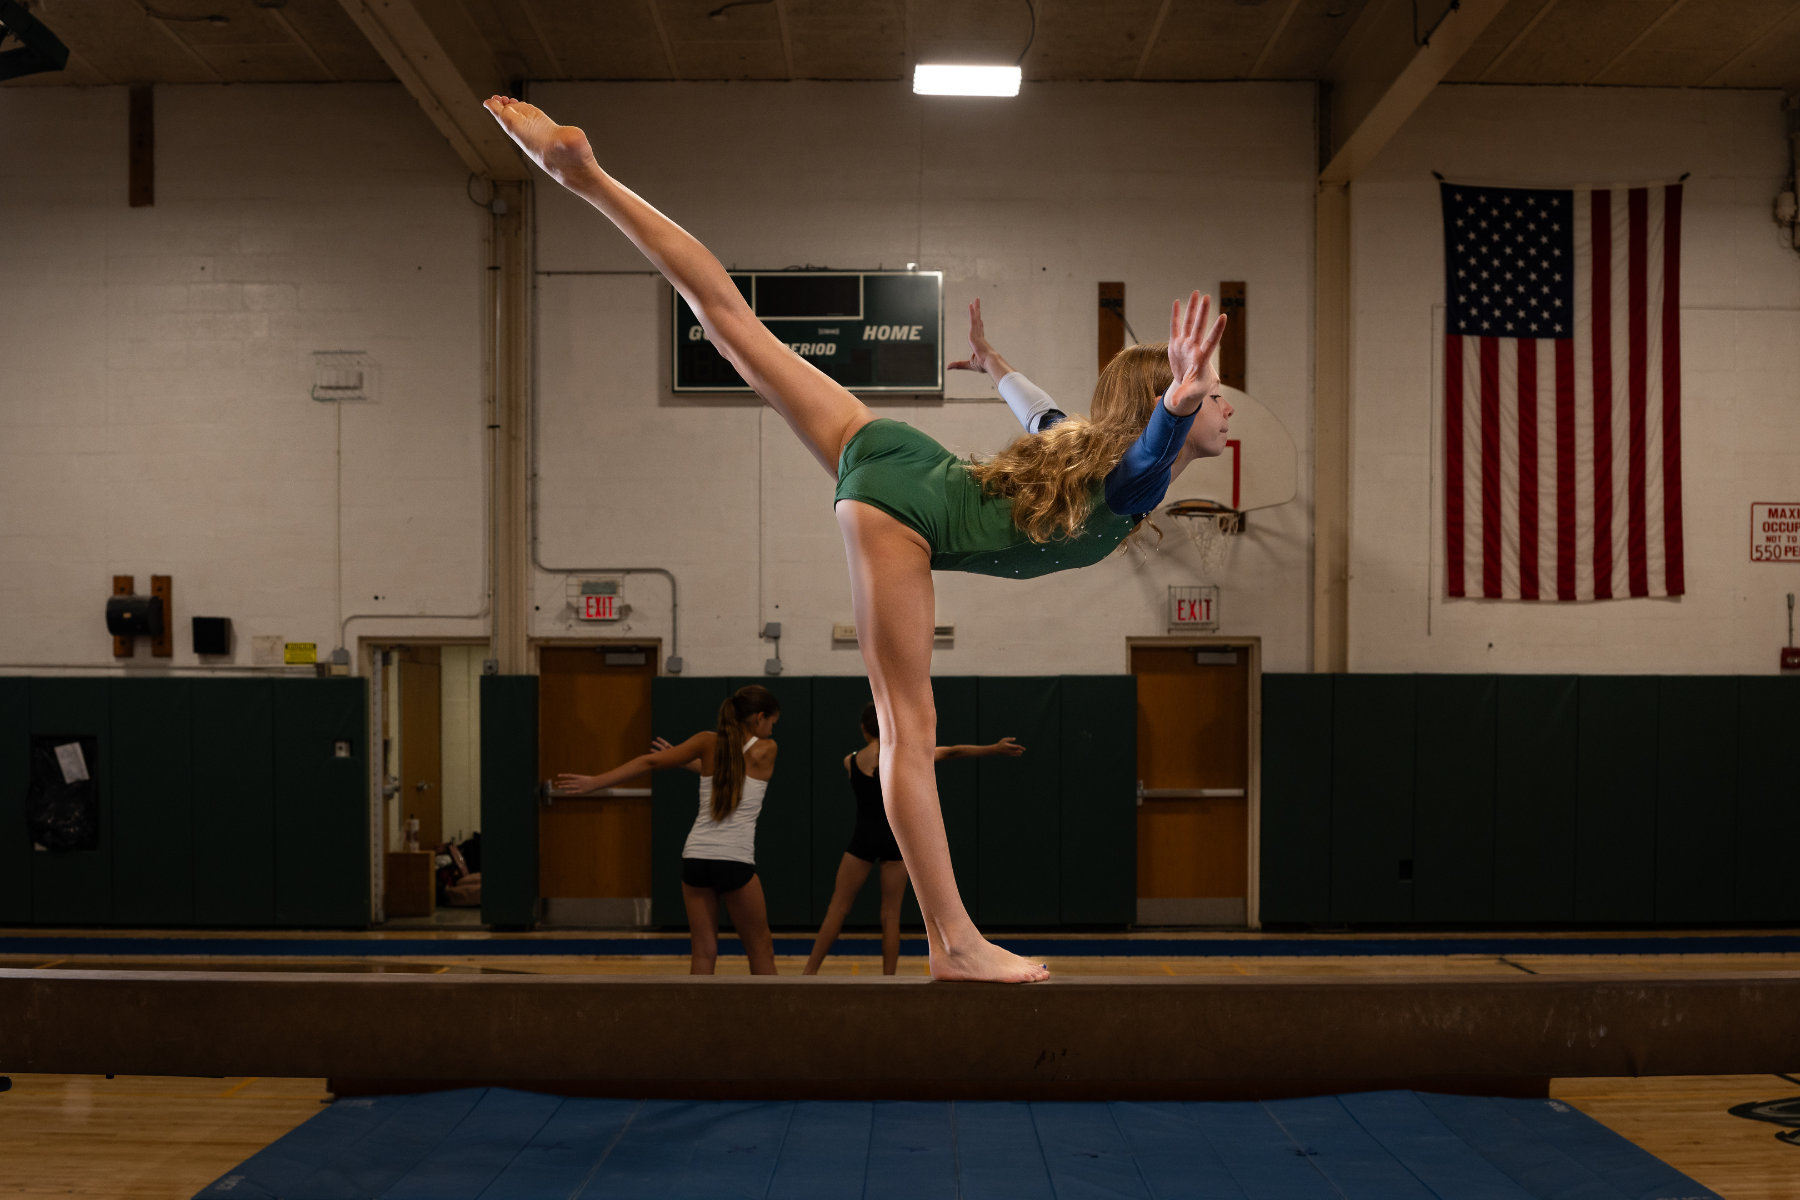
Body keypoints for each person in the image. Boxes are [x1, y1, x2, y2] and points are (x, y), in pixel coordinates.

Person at [484, 95, 1230, 983]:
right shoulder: (1134, 478)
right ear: (1166, 414)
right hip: (907, 512)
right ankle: (953, 942)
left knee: (734, 327)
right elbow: (1151, 451)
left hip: (898, 455)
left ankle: (585, 176)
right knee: (909, 730)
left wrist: (997, 368)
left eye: (1214, 393)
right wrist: (1179, 400)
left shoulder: (1080, 452)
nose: (1225, 404)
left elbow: (1045, 411)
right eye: (1216, 393)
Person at [553, 685, 781, 975]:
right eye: (772, 722)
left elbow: (650, 762)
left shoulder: (706, 742)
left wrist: (595, 782)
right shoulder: (767, 749)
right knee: (761, 949)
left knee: (703, 951)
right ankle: (773, 1018)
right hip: (734, 860)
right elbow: (734, 770)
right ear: (759, 717)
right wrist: (686, 760)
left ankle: (694, 1017)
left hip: (696, 858)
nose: (773, 729)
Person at [803, 703, 1024, 976]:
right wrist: (993, 748)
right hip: (894, 841)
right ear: (887, 725)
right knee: (890, 915)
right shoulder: (903, 758)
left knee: (837, 908)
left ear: (863, 729)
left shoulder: (850, 761)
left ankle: (808, 972)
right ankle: (889, 979)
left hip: (862, 839)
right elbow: (953, 751)